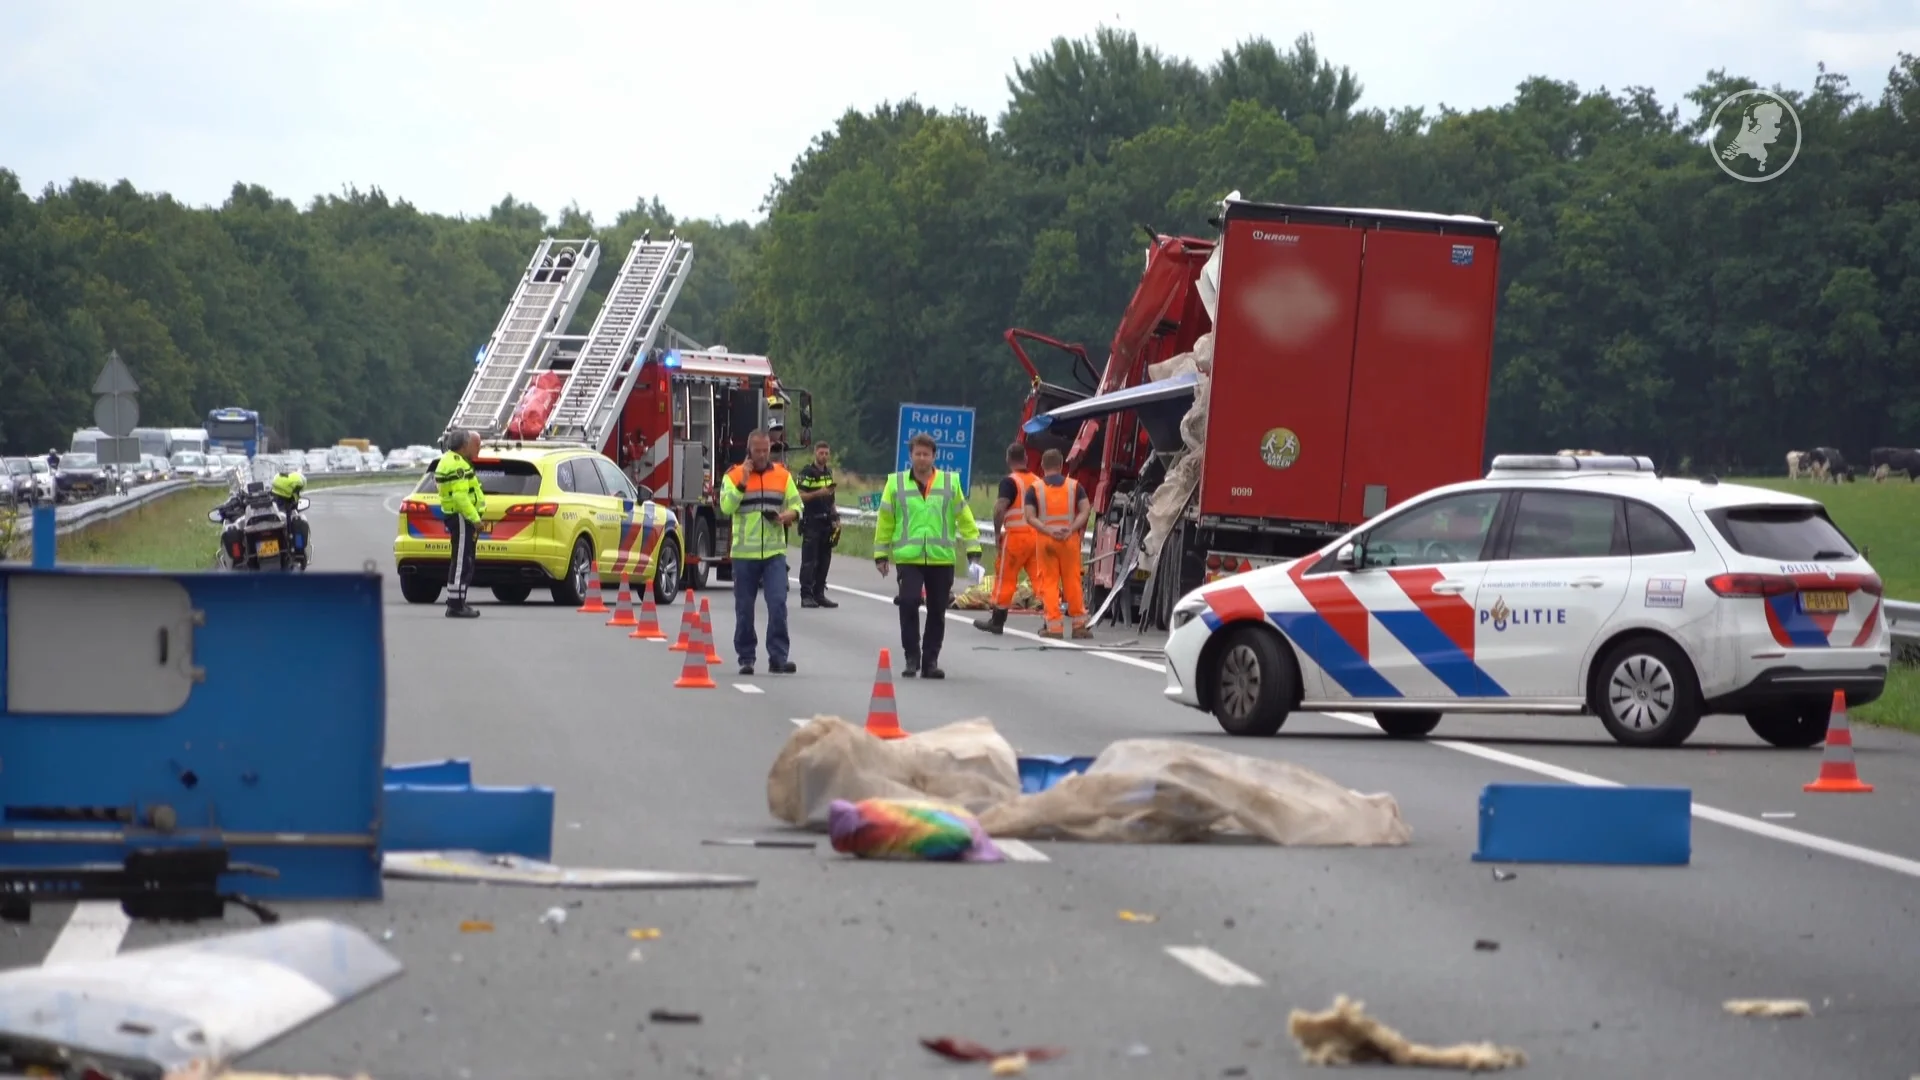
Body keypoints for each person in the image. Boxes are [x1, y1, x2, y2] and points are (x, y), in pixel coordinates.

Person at [874, 432, 982, 679]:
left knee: (937, 610)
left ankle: (930, 660)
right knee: (909, 602)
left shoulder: (949, 483)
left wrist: (973, 548)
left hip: (941, 557)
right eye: (917, 454)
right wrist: (881, 554)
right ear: (910, 456)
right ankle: (912, 656)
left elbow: (964, 518)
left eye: (926, 454)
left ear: (934, 456)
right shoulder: (896, 483)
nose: (922, 459)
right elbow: (885, 520)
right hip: (909, 557)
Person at [718, 428, 802, 675]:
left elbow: (798, 503)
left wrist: (791, 514)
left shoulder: (782, 476)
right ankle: (746, 657)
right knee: (745, 609)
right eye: (758, 451)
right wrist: (743, 483)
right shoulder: (733, 476)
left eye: (766, 450)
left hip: (774, 553)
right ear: (749, 450)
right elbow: (726, 507)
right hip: (745, 555)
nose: (763, 455)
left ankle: (778, 656)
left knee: (778, 604)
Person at [973, 442, 1042, 635]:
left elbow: (1000, 507)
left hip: (1016, 538)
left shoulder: (1010, 482)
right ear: (1026, 459)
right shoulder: (1038, 481)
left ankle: (997, 621)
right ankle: (1053, 619)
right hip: (1036, 536)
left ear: (1008, 459)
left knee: (1005, 578)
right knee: (1041, 579)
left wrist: (997, 533)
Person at [1024, 448, 1093, 639]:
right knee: (1073, 581)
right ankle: (1079, 625)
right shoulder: (1074, 486)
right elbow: (1085, 510)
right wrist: (1071, 529)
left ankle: (1054, 627)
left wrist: (1048, 530)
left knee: (1049, 582)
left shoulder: (1035, 489)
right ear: (1061, 465)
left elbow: (1029, 517)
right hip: (1069, 540)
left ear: (1043, 466)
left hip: (1046, 541)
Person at [435, 429, 486, 619]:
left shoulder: (449, 460)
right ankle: (456, 605)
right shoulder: (457, 465)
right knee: (461, 561)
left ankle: (458, 601)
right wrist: (475, 519)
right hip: (460, 517)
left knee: (463, 559)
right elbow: (460, 497)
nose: (477, 449)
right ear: (464, 446)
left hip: (459, 517)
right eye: (474, 445)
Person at [796, 440, 841, 608]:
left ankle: (819, 593)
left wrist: (836, 517)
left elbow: (831, 498)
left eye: (826, 453)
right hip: (812, 520)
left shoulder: (828, 473)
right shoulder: (807, 472)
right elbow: (799, 495)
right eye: (821, 453)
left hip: (826, 521)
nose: (824, 456)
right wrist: (818, 493)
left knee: (824, 559)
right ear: (815, 453)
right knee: (809, 560)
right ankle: (806, 595)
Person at [271, 467, 311, 564]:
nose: (298, 494)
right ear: (288, 489)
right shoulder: (288, 510)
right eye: (297, 491)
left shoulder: (271, 500)